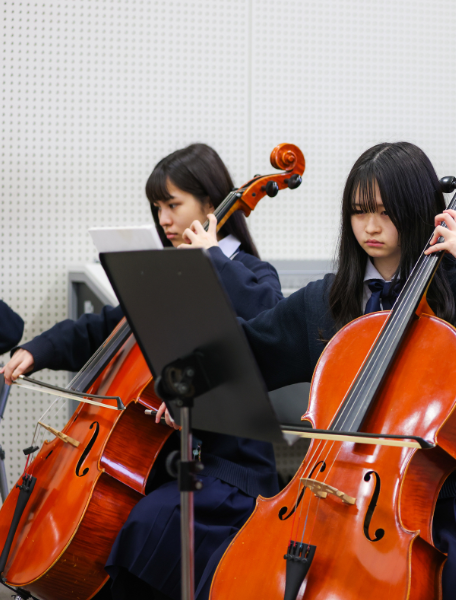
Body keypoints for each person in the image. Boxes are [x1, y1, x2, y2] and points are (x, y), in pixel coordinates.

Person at [202, 141, 456, 600]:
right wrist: (191, 394)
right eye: (358, 212)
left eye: (385, 212)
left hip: (450, 497)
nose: (370, 227)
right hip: (327, 495)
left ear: (416, 212)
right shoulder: (325, 302)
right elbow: (245, 357)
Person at [1, 143, 284, 600]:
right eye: (158, 208)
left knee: (147, 525)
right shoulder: (168, 272)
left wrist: (212, 259)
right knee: (108, 524)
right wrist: (37, 350)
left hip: (229, 467)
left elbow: (269, 328)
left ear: (210, 204)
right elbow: (104, 326)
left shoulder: (251, 273)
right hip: (165, 455)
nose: (164, 221)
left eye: (174, 205)